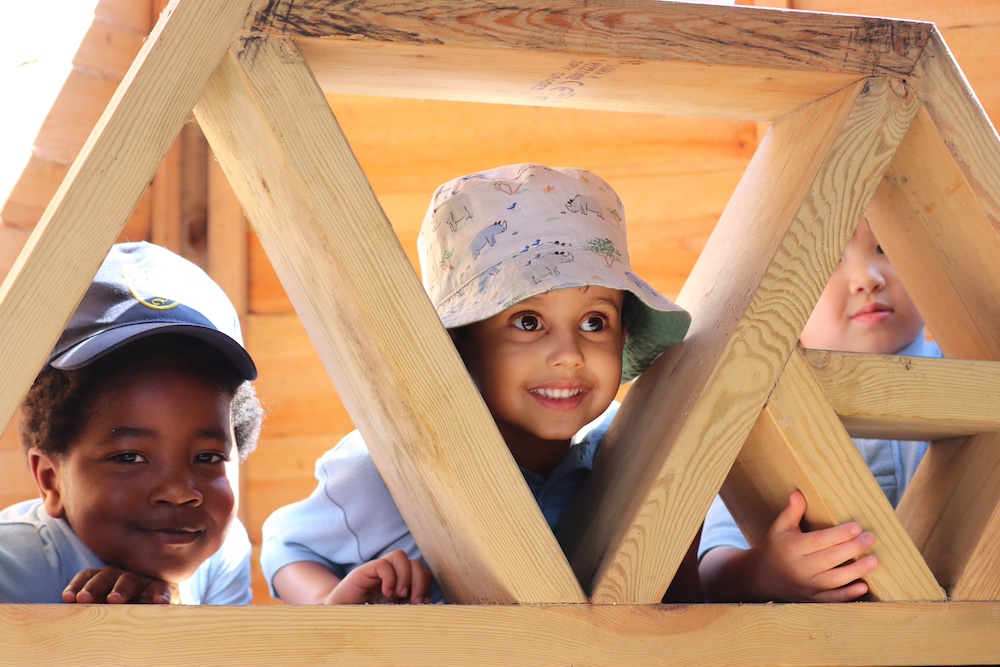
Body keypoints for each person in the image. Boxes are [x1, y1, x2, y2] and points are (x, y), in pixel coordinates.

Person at [260, 163, 691, 604]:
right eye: (528, 322)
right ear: (459, 344)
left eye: (594, 322)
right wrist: (328, 601)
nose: (569, 354)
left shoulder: (628, 448)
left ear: (623, 337)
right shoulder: (382, 467)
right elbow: (286, 545)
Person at [0, 241, 264, 605]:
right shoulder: (11, 571)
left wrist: (167, 612)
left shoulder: (223, 555)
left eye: (207, 457)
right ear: (51, 480)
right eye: (129, 458)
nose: (178, 491)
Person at [698, 217, 940, 603]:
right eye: (831, 257)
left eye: (885, 247)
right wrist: (765, 573)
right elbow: (712, 570)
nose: (868, 278)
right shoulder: (765, 411)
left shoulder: (974, 367)